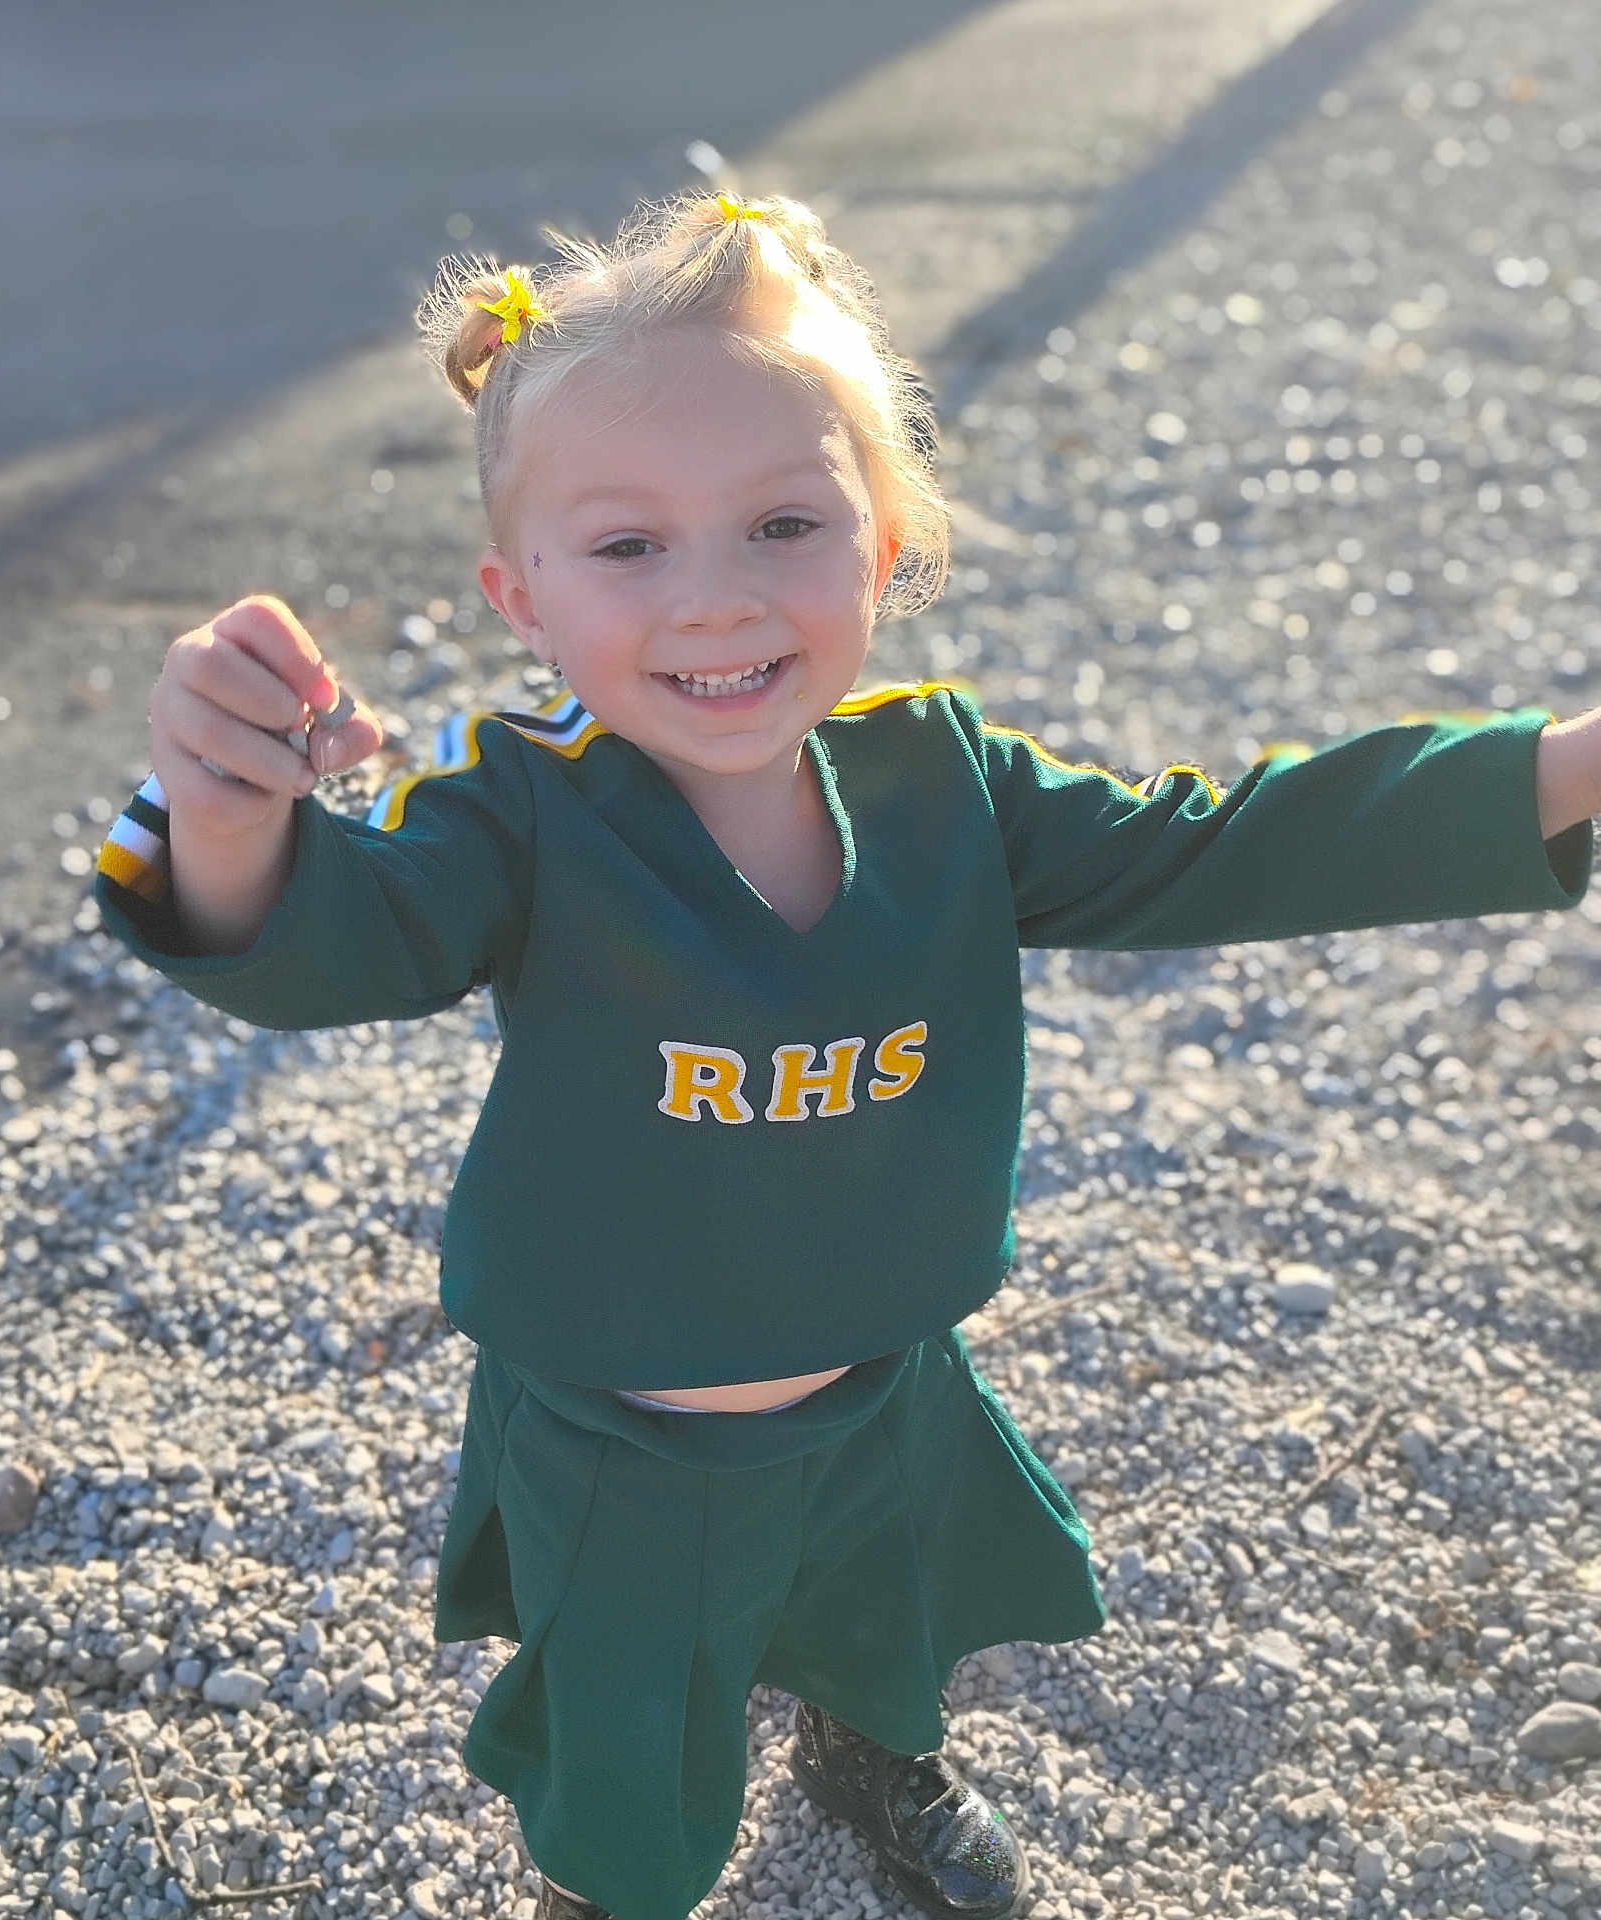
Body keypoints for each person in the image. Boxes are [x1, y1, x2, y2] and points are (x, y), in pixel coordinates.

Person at [94, 189, 1599, 1920]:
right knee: (633, 1761)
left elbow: (1228, 841)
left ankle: (871, 1752)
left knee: (890, 1619)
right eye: (629, 548)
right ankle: (608, 1889)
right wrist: (223, 820)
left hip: (887, 1372)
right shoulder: (520, 822)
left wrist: (1564, 762)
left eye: (785, 523)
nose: (717, 600)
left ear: (884, 544)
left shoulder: (946, 788)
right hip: (626, 1435)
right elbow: (333, 942)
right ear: (521, 597)